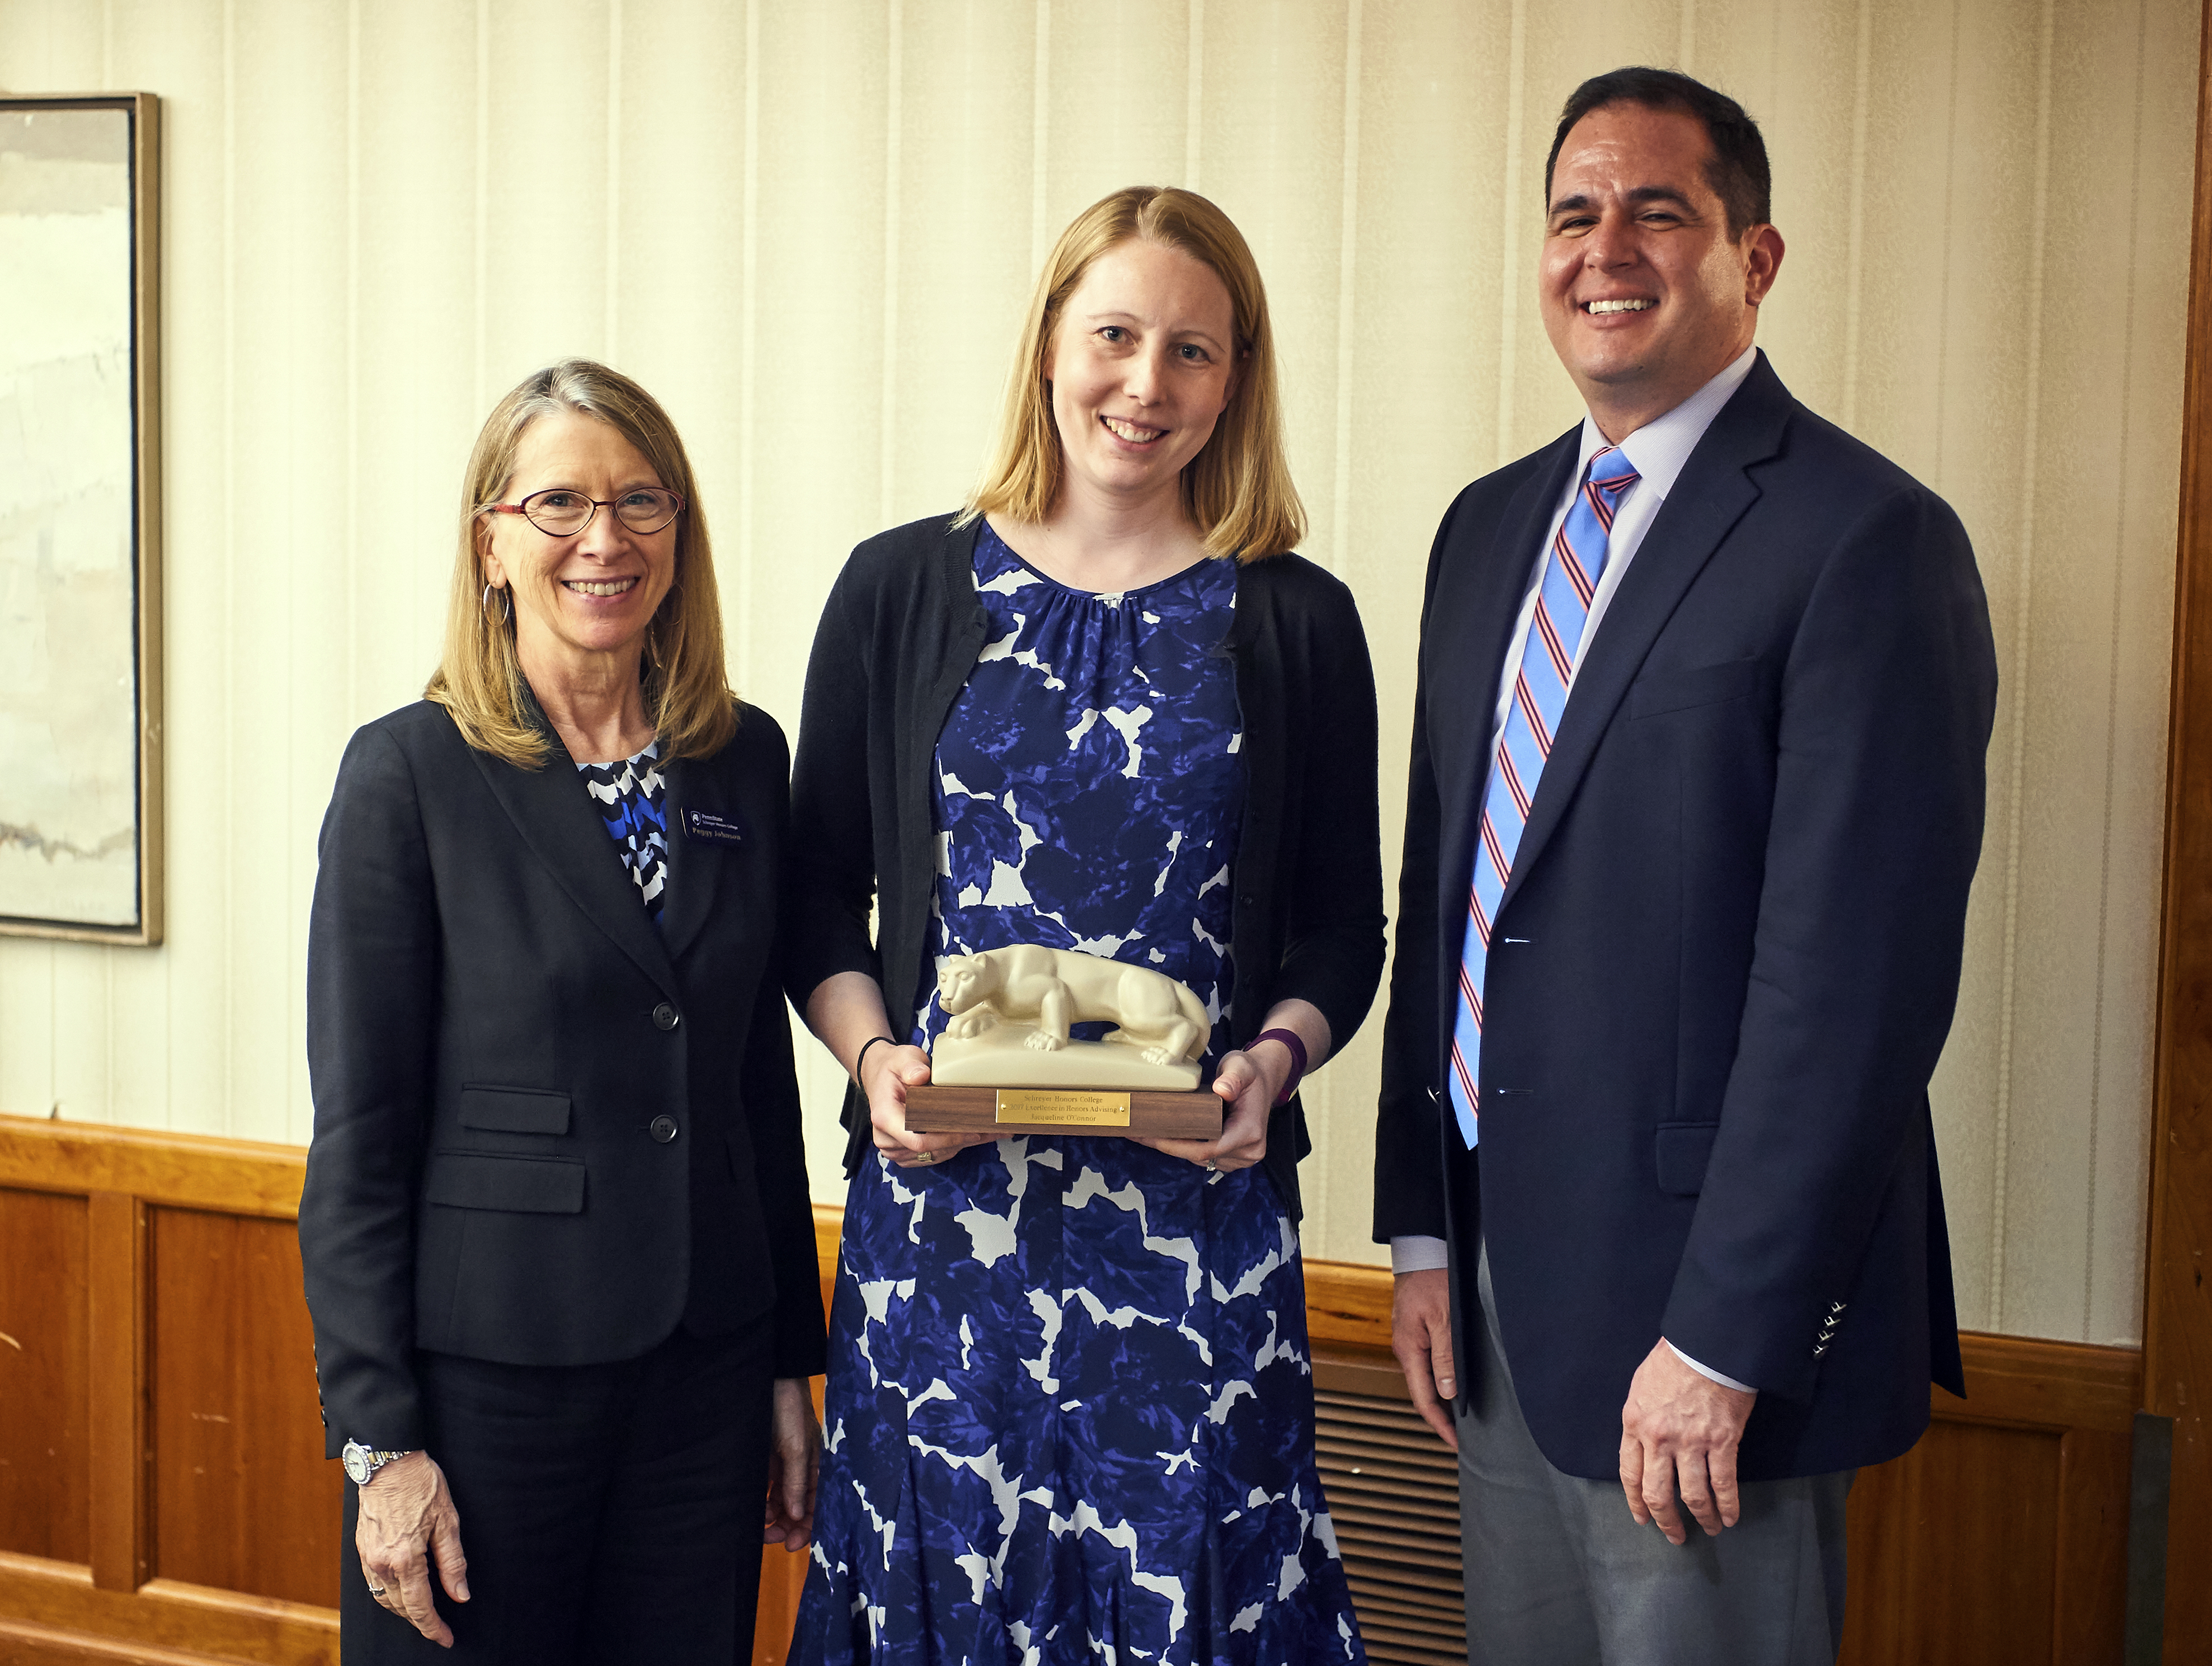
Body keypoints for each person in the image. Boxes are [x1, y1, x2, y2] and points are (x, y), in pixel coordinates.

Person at [1372, 68, 1998, 1664]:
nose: (1607, 248)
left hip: (1703, 1331)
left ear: (1756, 258)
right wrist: (1425, 1233)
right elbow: (1446, 887)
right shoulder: (1486, 528)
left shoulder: (1865, 539)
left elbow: (1852, 987)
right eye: (1574, 213)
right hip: (1500, 1298)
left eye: (1661, 209)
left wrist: (1726, 1334)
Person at [783, 186, 1385, 1664]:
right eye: (1113, 334)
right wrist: (876, 1071)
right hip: (944, 1235)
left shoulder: (1295, 620)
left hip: (1194, 1237)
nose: (1146, 382)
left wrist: (1272, 1067)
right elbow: (813, 900)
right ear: (1049, 343)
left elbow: (1338, 931)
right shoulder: (899, 586)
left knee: (1189, 1591)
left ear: (1236, 377)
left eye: (1194, 350)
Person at [298, 359, 824, 1662]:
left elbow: (756, 1079)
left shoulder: (742, 756)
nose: (606, 539)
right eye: (559, 506)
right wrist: (382, 1442)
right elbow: (361, 1134)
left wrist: (783, 1367)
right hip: (485, 1390)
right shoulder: (407, 773)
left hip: (704, 1376)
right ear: (491, 543)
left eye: (643, 502)